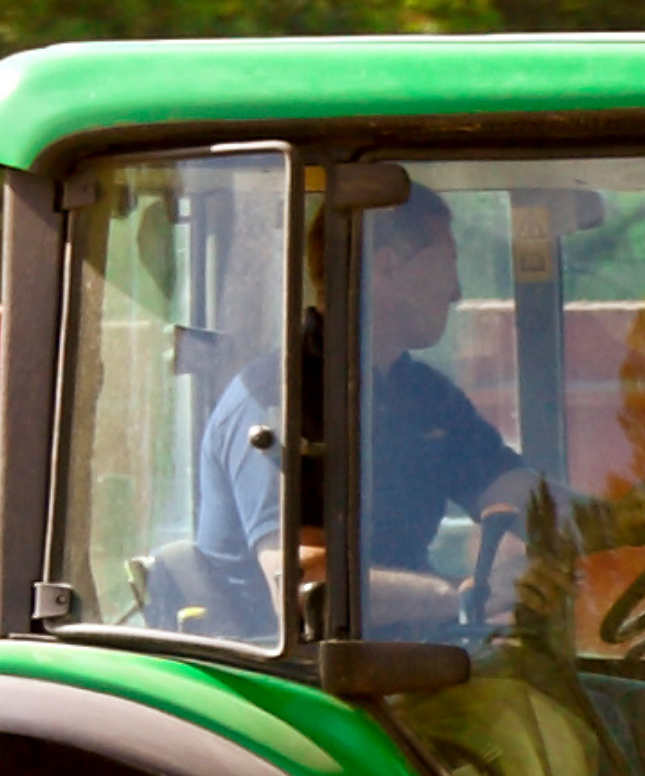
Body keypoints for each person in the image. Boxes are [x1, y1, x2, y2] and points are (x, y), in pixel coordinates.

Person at [195, 190, 539, 631]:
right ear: (388, 265)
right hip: (298, 680)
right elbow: (307, 581)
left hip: (406, 661)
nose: (456, 292)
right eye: (448, 261)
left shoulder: (419, 394)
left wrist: (633, 516)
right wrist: (468, 592)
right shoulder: (277, 399)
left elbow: (516, 492)